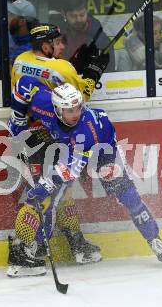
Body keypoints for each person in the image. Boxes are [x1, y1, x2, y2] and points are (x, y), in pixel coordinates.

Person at [7, 77, 162, 277]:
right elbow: (24, 84)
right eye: (70, 110)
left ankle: (154, 238)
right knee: (52, 198)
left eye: (78, 108)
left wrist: (40, 188)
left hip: (103, 149)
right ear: (57, 110)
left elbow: (69, 171)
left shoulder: (85, 129)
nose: (76, 113)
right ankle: (35, 249)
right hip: (64, 146)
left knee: (127, 194)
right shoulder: (44, 102)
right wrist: (17, 119)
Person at [8, 25, 109, 271]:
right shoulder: (63, 68)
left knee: (62, 194)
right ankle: (19, 251)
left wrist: (18, 127)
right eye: (58, 42)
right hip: (51, 138)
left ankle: (75, 242)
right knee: (46, 196)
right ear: (46, 46)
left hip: (28, 137)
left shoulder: (20, 61)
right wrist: (93, 71)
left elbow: (27, 89)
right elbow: (80, 97)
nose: (62, 46)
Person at [58, 0, 116, 72]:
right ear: (63, 14)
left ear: (87, 11)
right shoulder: (58, 34)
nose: (78, 20)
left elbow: (109, 70)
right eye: (73, 16)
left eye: (82, 15)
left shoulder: (101, 39)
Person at [0, 0, 38, 81]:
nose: (7, 18)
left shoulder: (39, 44)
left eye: (11, 15)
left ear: (22, 21)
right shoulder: (0, 42)